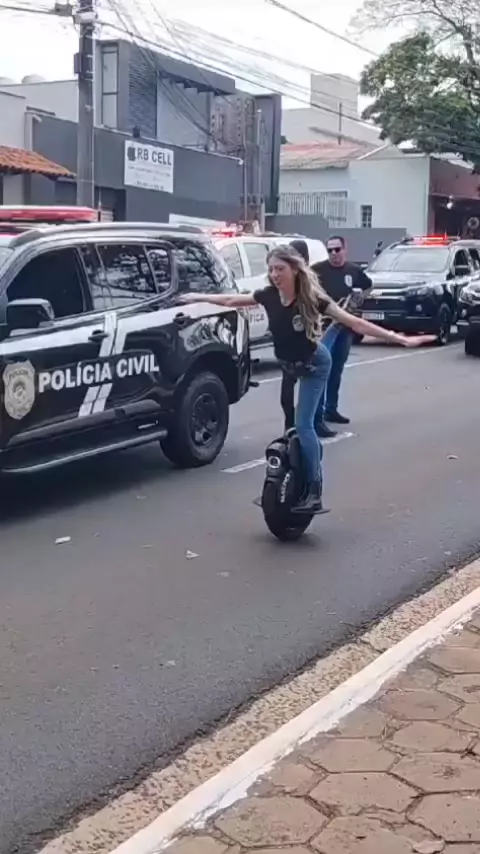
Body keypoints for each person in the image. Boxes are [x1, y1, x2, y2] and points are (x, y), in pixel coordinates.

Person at [178, 245, 434, 513]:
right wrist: (196, 297)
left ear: (295, 269)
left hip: (315, 365)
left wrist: (400, 339)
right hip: (289, 366)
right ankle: (288, 478)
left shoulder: (310, 297)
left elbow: (355, 323)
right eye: (271, 269)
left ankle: (314, 490)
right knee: (289, 421)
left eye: (280, 269)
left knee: (304, 426)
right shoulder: (269, 295)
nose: (275, 275)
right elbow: (232, 300)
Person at [312, 236, 373, 438]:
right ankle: (318, 416)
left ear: (345, 249)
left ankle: (331, 408)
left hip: (345, 326)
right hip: (325, 327)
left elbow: (368, 285)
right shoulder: (318, 270)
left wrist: (359, 298)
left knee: (337, 368)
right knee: (323, 368)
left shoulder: (353, 270)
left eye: (337, 249)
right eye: (330, 250)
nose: (333, 254)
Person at [280, 239, 310, 431]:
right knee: (290, 386)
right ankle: (291, 424)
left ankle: (299, 424)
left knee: (302, 385)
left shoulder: (308, 279)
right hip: (292, 339)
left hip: (303, 338)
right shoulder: (289, 278)